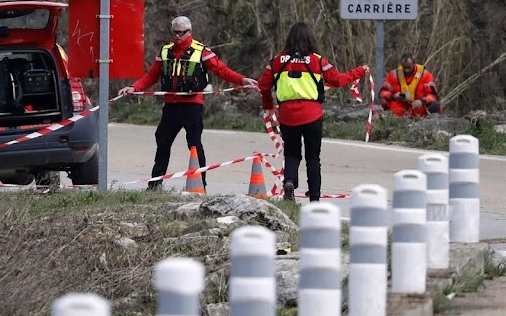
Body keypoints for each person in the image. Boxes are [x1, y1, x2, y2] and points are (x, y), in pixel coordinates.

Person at [119, 16, 257, 191]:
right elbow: (152, 75)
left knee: (194, 144)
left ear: (189, 32)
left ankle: (200, 184)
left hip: (192, 106)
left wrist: (242, 80)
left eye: (181, 33)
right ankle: (154, 185)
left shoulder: (201, 51)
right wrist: (133, 87)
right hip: (170, 106)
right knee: (162, 142)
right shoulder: (165, 51)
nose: (177, 37)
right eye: (174, 33)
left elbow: (221, 70)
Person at [257, 22, 367, 202]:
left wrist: (268, 104)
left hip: (287, 115)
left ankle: (289, 182)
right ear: (310, 39)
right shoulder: (317, 60)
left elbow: (263, 85)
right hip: (312, 115)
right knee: (313, 157)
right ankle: (314, 199)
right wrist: (360, 71)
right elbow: (338, 80)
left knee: (291, 153)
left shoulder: (277, 60)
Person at [379, 53, 441, 117]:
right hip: (398, 109)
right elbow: (382, 93)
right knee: (383, 104)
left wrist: (422, 101)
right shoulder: (393, 74)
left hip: (418, 109)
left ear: (414, 64)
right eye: (404, 67)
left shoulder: (425, 75)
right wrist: (393, 96)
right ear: (401, 65)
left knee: (435, 105)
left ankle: (430, 122)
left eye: (409, 67)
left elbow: (433, 95)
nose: (406, 70)